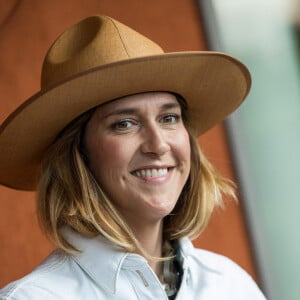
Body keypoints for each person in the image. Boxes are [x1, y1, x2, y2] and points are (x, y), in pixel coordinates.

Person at [0, 15, 266, 299]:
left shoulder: (229, 285)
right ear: (77, 155)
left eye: (168, 117)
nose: (158, 145)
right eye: (124, 123)